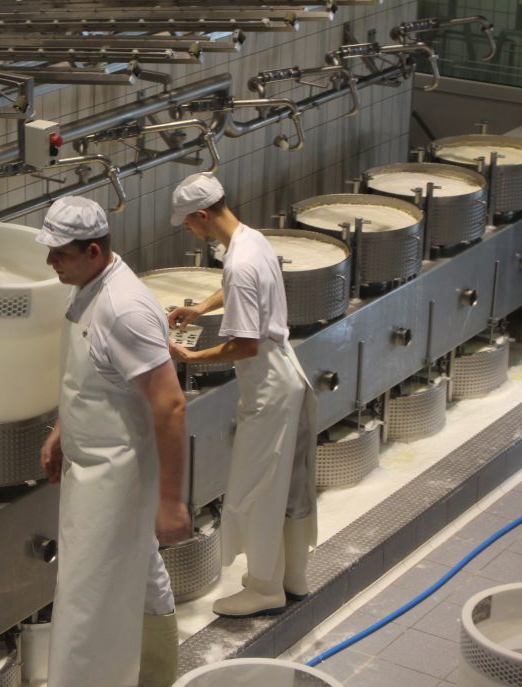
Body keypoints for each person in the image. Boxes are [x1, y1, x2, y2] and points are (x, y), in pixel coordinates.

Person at [37, 196, 191, 687]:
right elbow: (99, 378)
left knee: (88, 598)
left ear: (95, 251)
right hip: (92, 465)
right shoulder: (88, 288)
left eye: (59, 253)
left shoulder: (124, 309)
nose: (50, 262)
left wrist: (170, 501)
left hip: (117, 477)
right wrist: (65, 429)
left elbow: (169, 404)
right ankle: (154, 677)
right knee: (138, 580)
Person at [166, 172, 317, 618]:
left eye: (189, 224)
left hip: (268, 384)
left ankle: (265, 588)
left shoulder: (239, 263)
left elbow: (244, 345)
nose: (189, 231)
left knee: (257, 489)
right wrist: (201, 308)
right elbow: (237, 291)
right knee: (289, 483)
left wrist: (191, 359)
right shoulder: (252, 240)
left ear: (201, 214)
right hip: (287, 372)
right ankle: (294, 578)